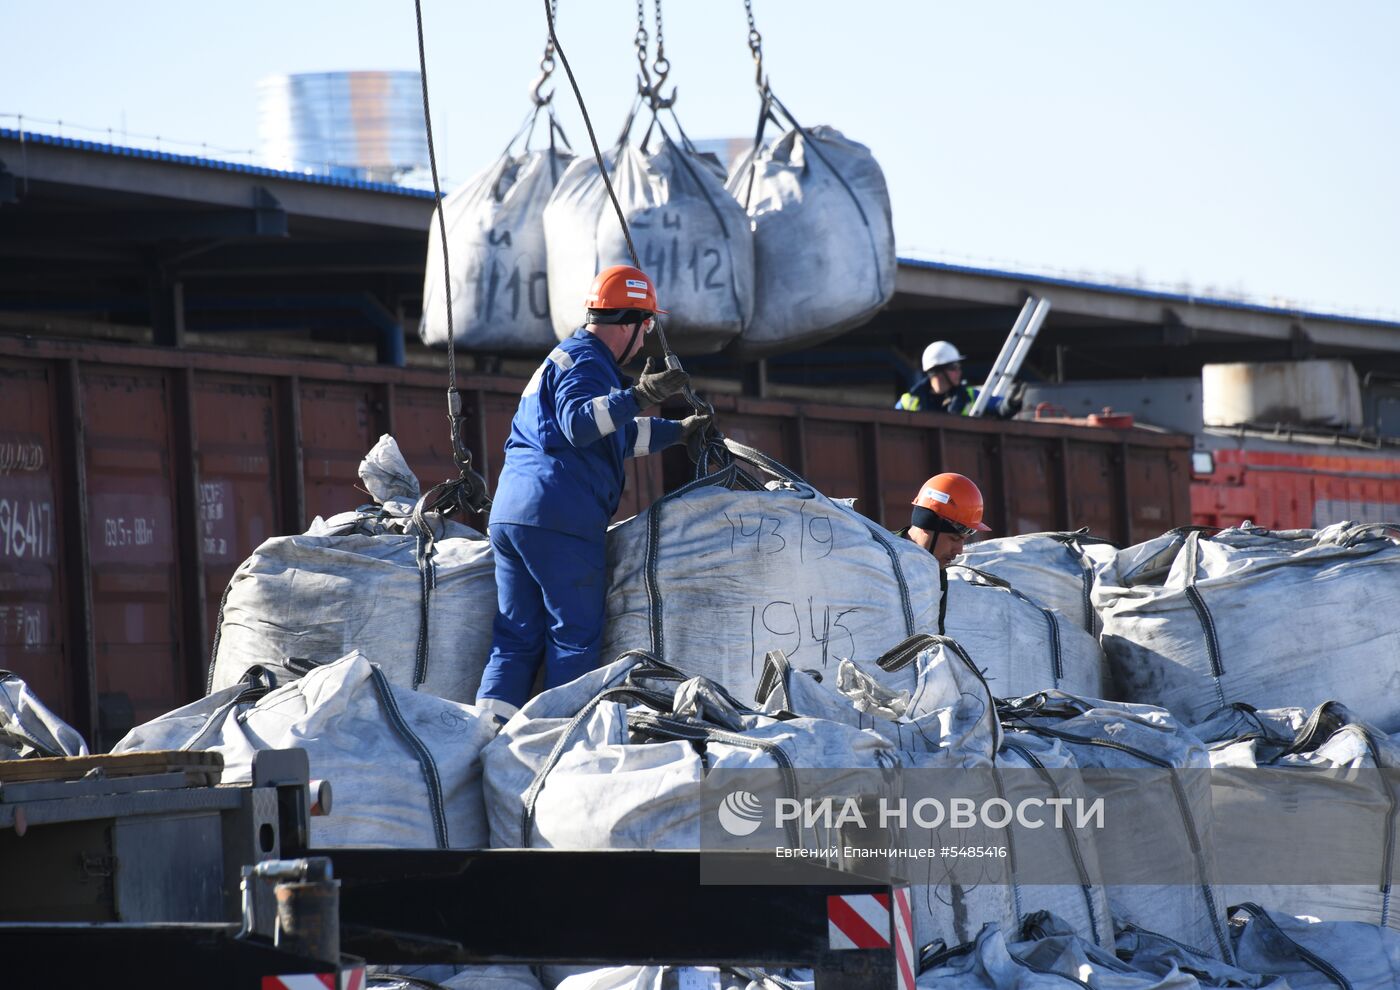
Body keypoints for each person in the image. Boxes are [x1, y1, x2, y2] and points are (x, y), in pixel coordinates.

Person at [475, 265, 710, 722]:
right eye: (646, 329)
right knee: (574, 635)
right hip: (559, 515)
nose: (644, 343)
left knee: (517, 636)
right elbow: (581, 424)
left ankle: (487, 734)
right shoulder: (588, 362)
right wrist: (639, 395)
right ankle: (556, 739)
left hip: (513, 513)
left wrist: (678, 432)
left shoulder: (566, 358)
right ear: (633, 323)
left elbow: (612, 436)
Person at [895, 472, 991, 570]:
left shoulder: (938, 573)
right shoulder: (882, 558)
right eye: (954, 538)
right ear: (927, 523)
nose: (959, 551)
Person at [896, 341, 1018, 416]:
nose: (959, 372)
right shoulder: (908, 402)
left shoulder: (970, 396)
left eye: (959, 367)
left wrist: (1011, 403)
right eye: (953, 368)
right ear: (937, 371)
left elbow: (998, 406)